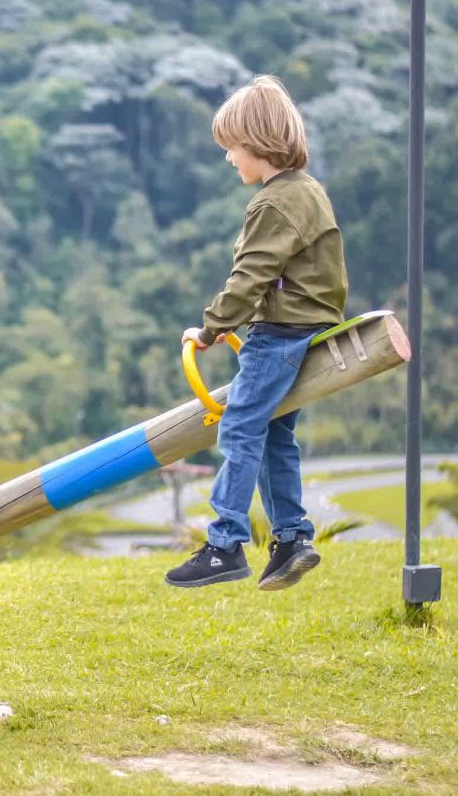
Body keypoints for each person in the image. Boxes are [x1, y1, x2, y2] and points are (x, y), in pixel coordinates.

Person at [165, 75, 348, 591]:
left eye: (232, 148)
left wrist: (210, 328)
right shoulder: (309, 192)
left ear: (259, 144)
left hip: (278, 336)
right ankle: (291, 537)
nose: (229, 159)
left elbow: (251, 275)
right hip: (307, 330)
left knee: (239, 427)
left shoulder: (273, 203)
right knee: (273, 438)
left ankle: (224, 542)